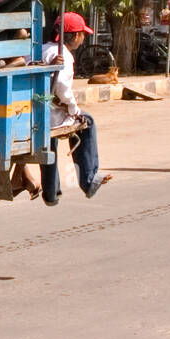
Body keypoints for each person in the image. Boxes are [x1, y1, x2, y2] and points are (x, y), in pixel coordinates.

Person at [37, 12, 112, 206]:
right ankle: (89, 179)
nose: (84, 37)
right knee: (87, 122)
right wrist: (74, 109)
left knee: (49, 143)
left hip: (38, 112)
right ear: (76, 35)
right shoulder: (64, 56)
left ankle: (51, 193)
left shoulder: (42, 49)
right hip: (52, 112)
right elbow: (62, 90)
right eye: (83, 34)